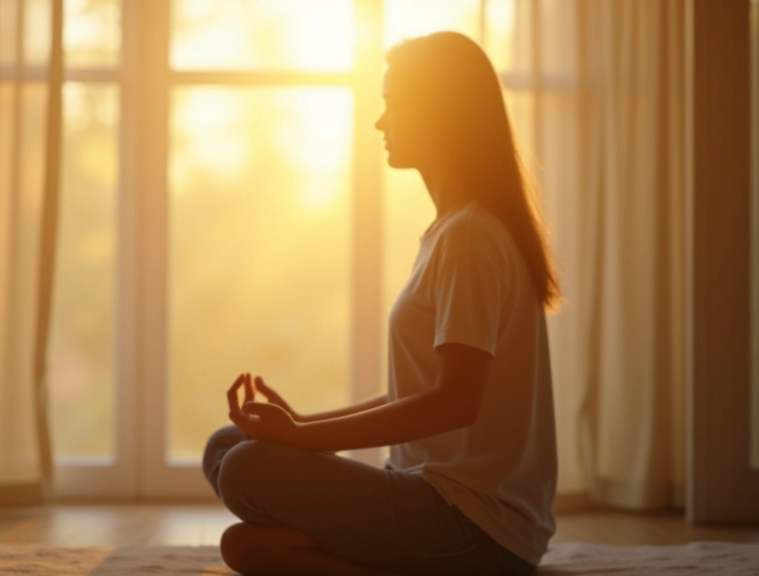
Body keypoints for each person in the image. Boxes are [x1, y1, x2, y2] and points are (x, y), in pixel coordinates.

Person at [202, 31, 559, 576]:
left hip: (476, 529)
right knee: (227, 448)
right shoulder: (452, 231)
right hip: (427, 498)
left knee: (247, 469)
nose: (380, 121)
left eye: (393, 103)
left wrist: (300, 439)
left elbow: (453, 403)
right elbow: (417, 392)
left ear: (439, 113)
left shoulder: (471, 238)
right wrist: (300, 423)